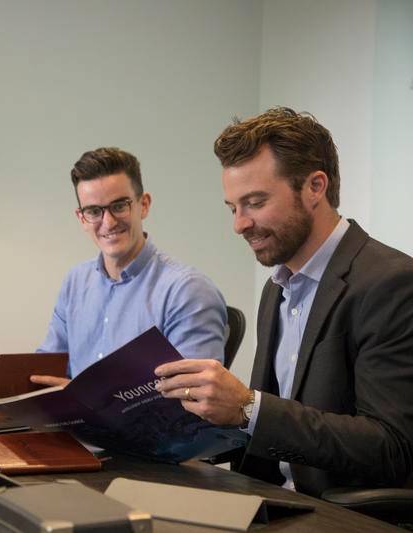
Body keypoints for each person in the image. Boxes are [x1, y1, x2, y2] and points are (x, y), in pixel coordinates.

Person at [155, 107, 413, 497]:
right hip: (272, 499)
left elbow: (391, 447)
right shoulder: (277, 287)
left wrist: (247, 407)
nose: (239, 224)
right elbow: (271, 428)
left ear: (315, 187)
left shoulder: (391, 282)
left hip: (344, 514)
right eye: (233, 208)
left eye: (255, 202)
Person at [0, 147, 227, 409]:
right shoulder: (76, 282)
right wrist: (0, 389)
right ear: (81, 217)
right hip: (76, 440)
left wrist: (84, 395)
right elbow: (46, 371)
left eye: (119, 206)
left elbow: (193, 405)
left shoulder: (188, 291)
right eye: (94, 211)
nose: (108, 222)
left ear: (144, 204)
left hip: (148, 448)